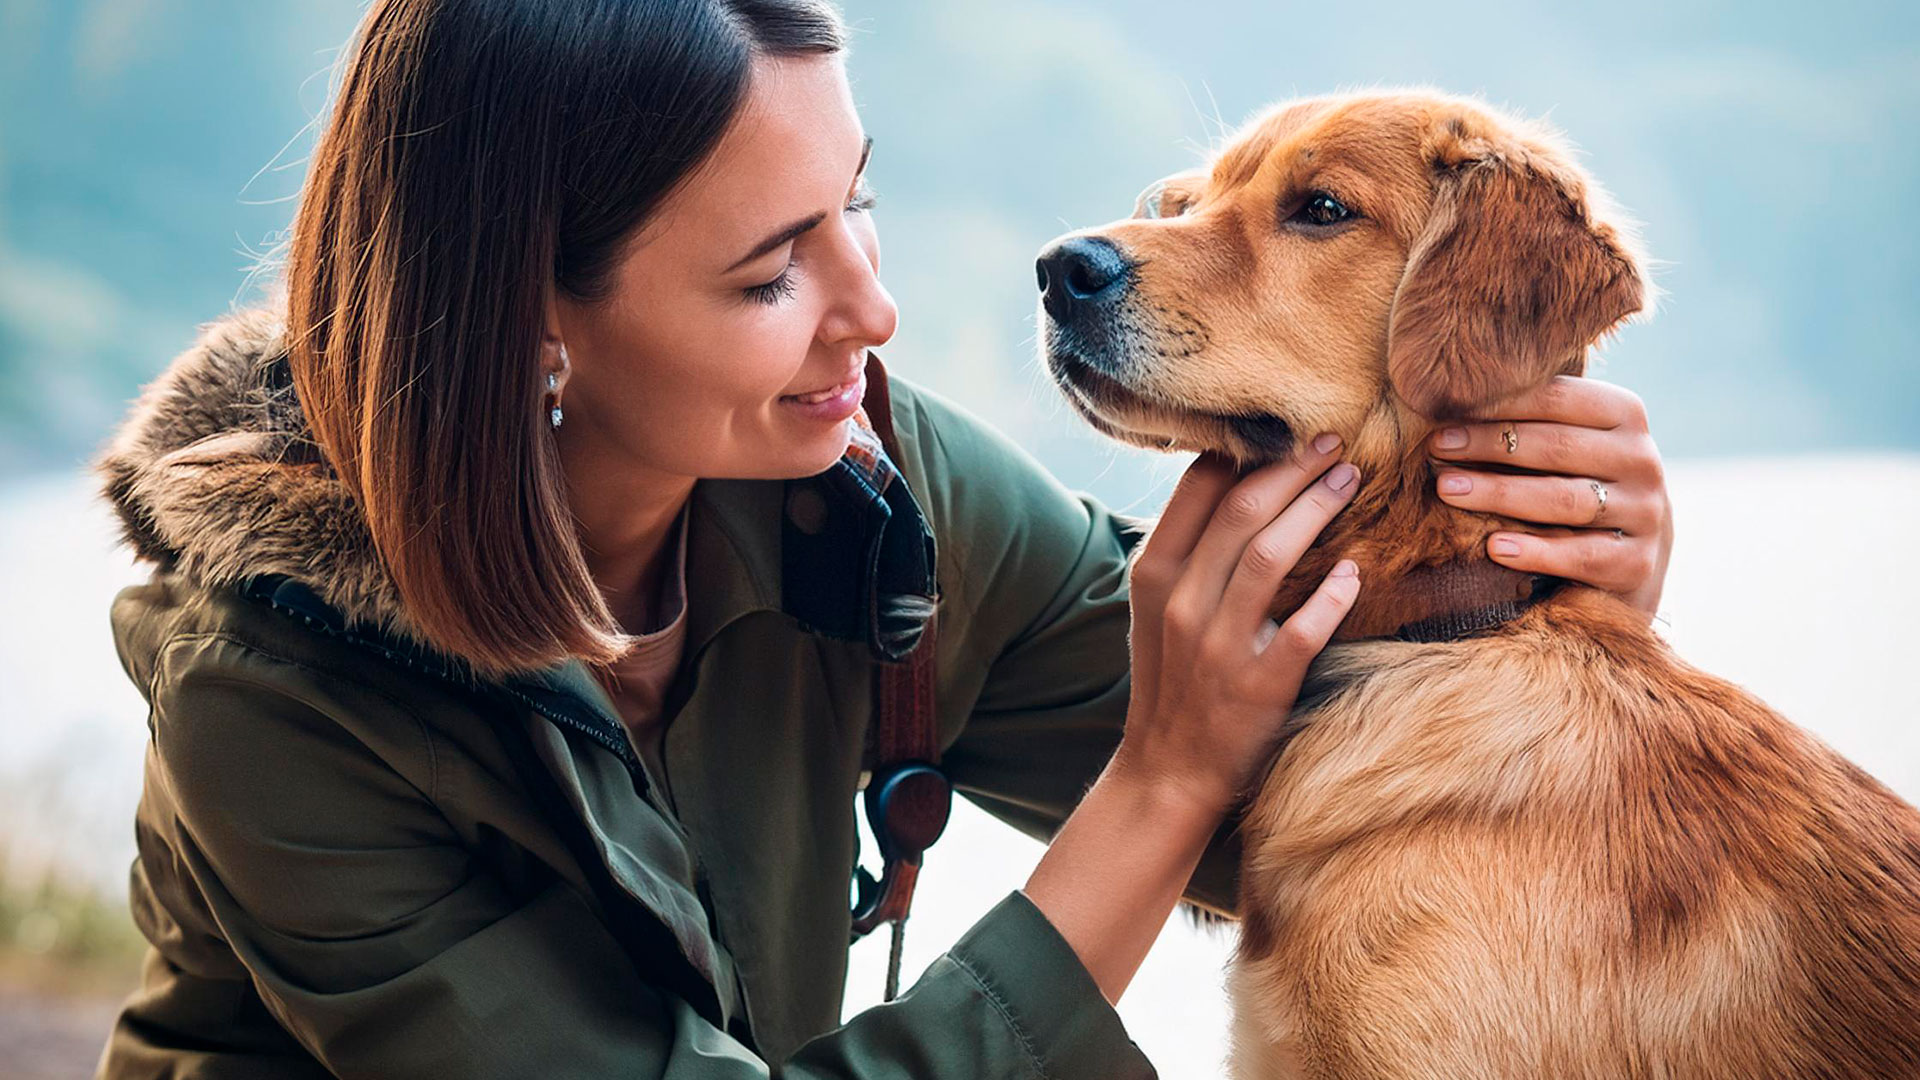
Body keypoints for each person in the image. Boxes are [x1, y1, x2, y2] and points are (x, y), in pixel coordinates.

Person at [91, 1, 1675, 1076]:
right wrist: (1162, 780)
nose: (875, 310)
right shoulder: (274, 696)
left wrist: (1529, 584)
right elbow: (1195, 767)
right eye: (774, 271)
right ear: (533, 323)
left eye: (859, 207)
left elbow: (1358, 793)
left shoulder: (864, 475)